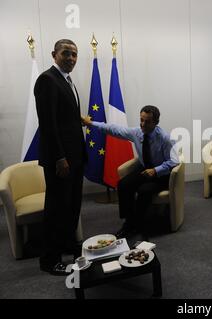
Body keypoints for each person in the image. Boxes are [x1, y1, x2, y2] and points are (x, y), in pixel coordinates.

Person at [82, 105, 178, 238]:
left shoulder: (165, 138)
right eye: (141, 120)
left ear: (155, 122)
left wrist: (156, 170)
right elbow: (114, 129)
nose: (143, 124)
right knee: (123, 184)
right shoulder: (137, 132)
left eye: (147, 121)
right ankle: (129, 222)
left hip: (161, 175)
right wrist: (91, 123)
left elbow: (174, 161)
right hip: (145, 170)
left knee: (144, 190)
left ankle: (138, 224)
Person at [34, 39, 86, 276]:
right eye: (66, 53)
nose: (71, 58)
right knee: (56, 209)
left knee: (72, 205)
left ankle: (67, 244)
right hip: (61, 160)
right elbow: (48, 124)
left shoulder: (67, 80)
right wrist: (59, 158)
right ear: (54, 54)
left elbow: (67, 120)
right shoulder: (47, 80)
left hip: (75, 157)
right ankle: (49, 259)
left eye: (75, 54)